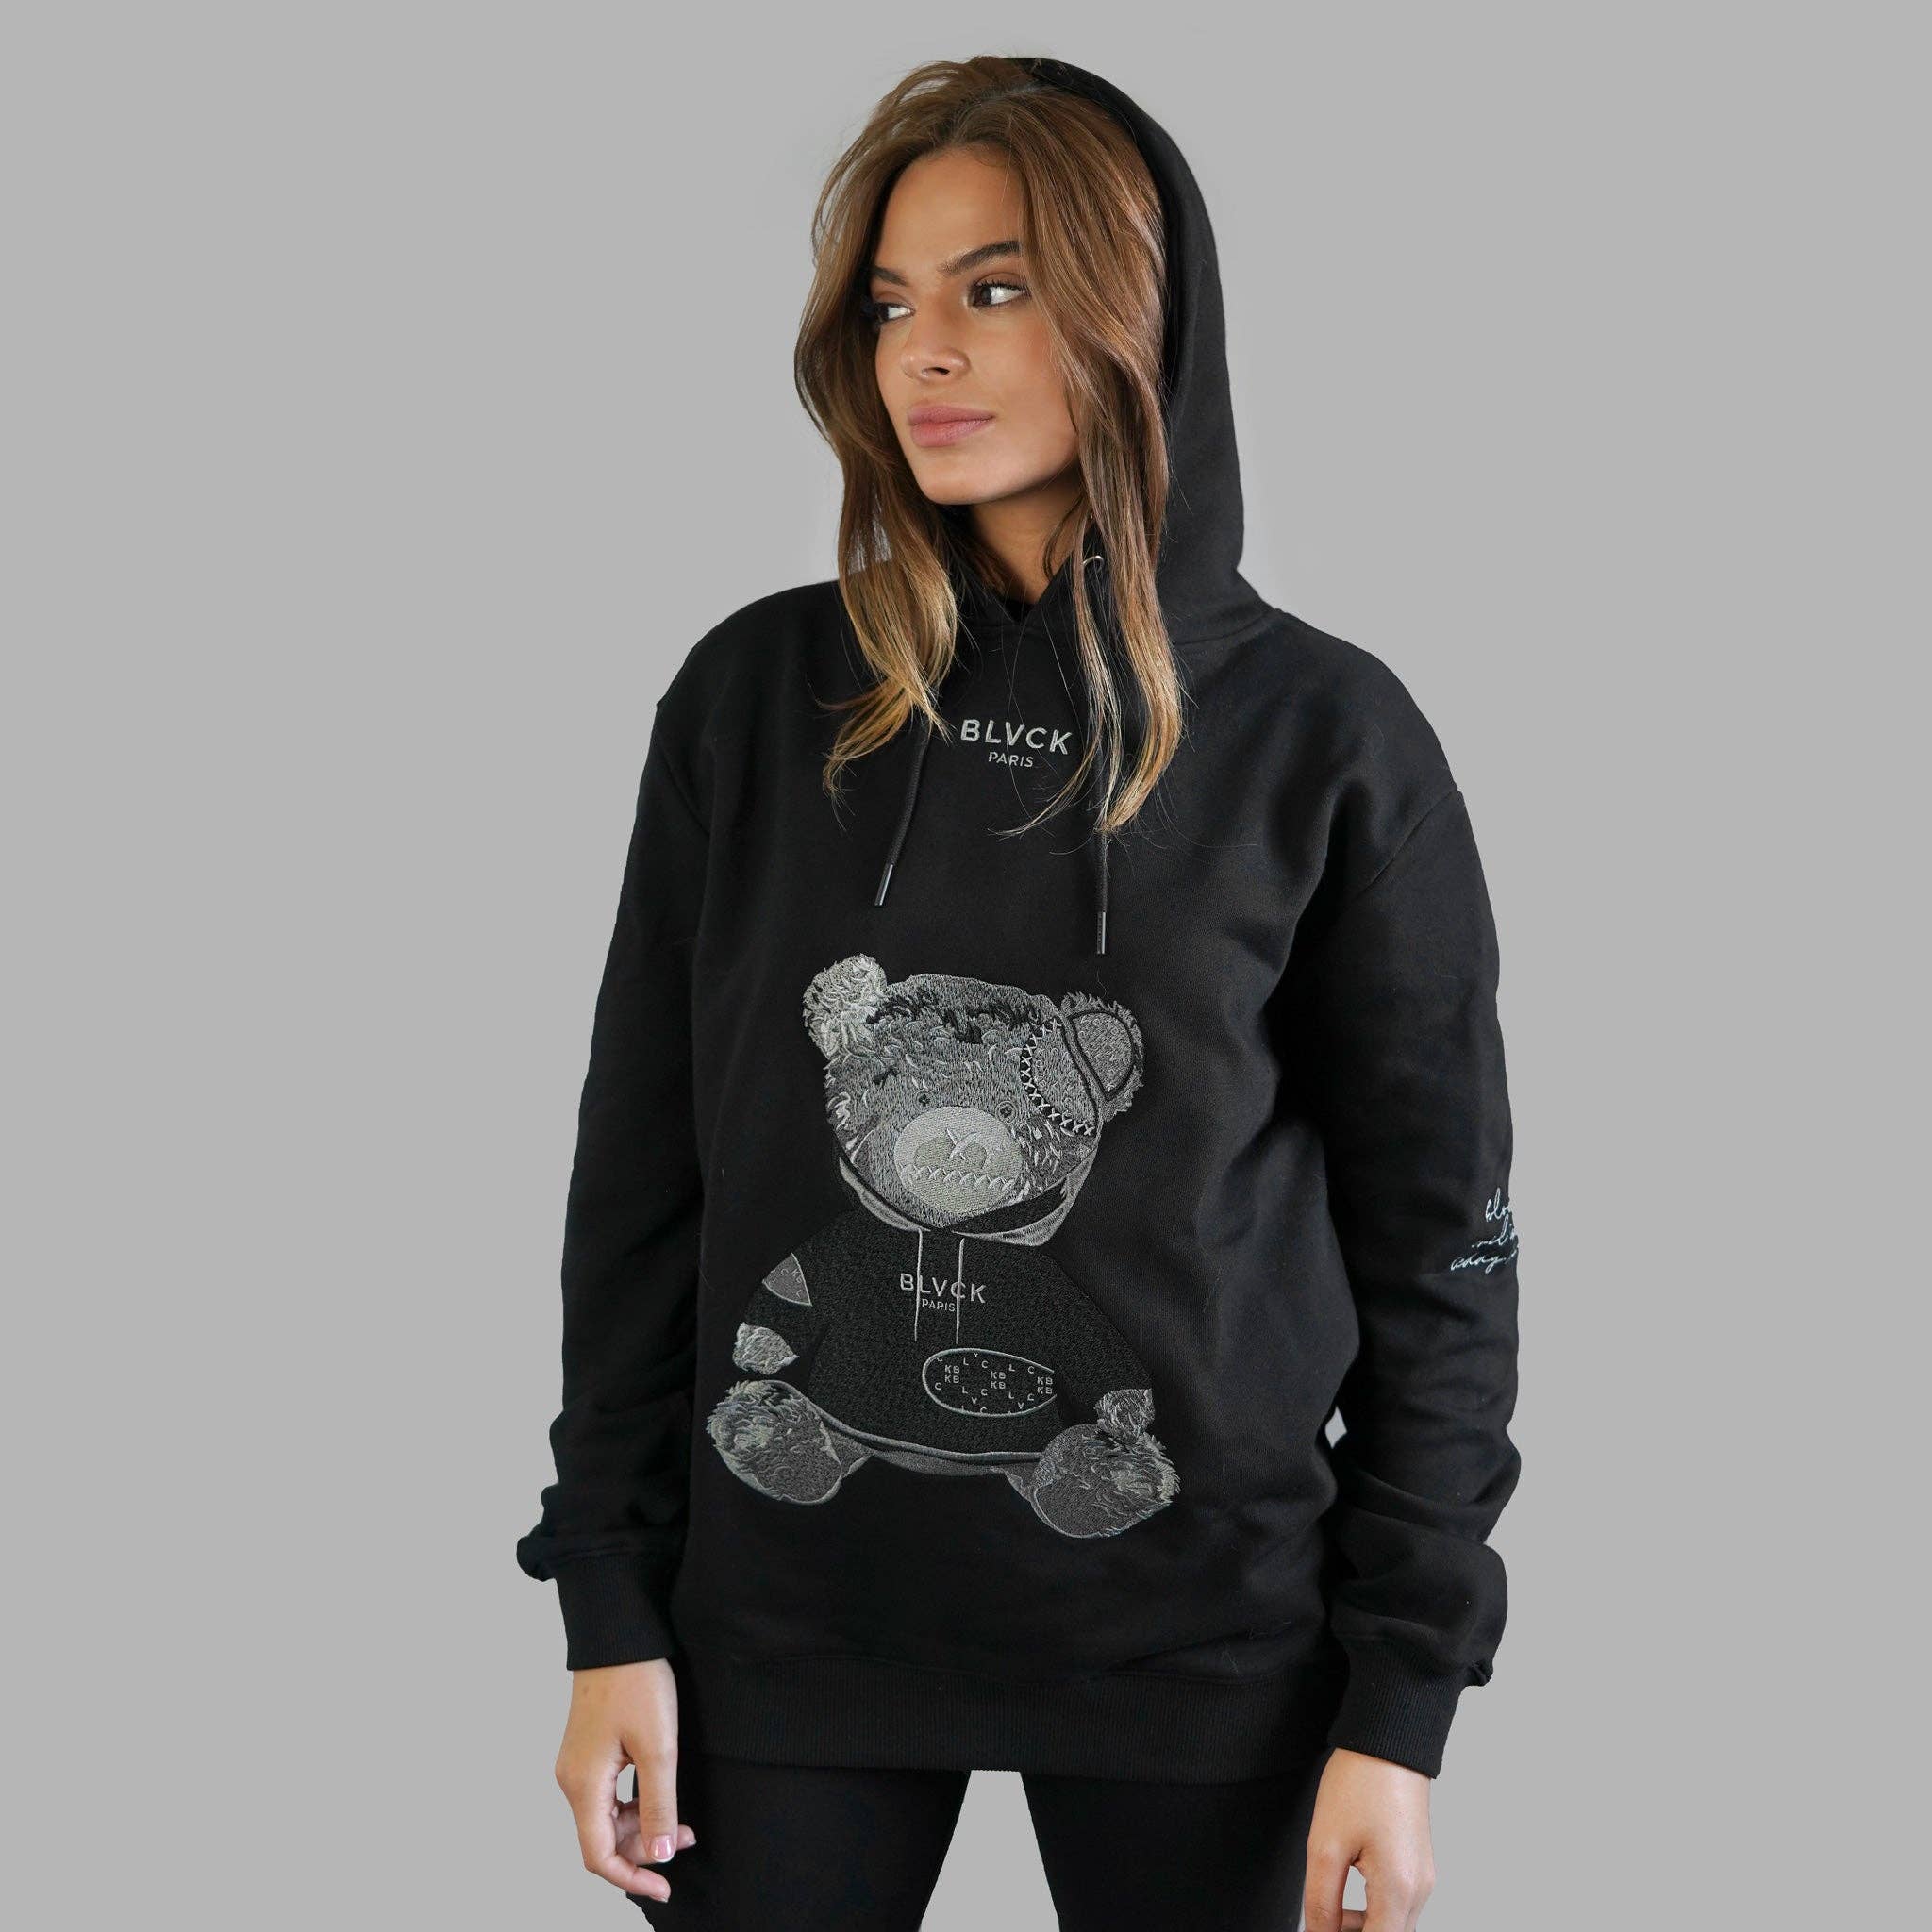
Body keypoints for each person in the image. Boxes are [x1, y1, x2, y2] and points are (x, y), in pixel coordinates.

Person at [516, 53, 1521, 1932]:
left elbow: (1441, 1249)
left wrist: (1401, 1705)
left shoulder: (1323, 742)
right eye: (889, 303)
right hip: (782, 1631)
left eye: (996, 289)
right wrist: (607, 1604)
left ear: (1139, 318)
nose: (926, 351)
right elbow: (642, 1187)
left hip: (1207, 1639)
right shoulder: (756, 704)